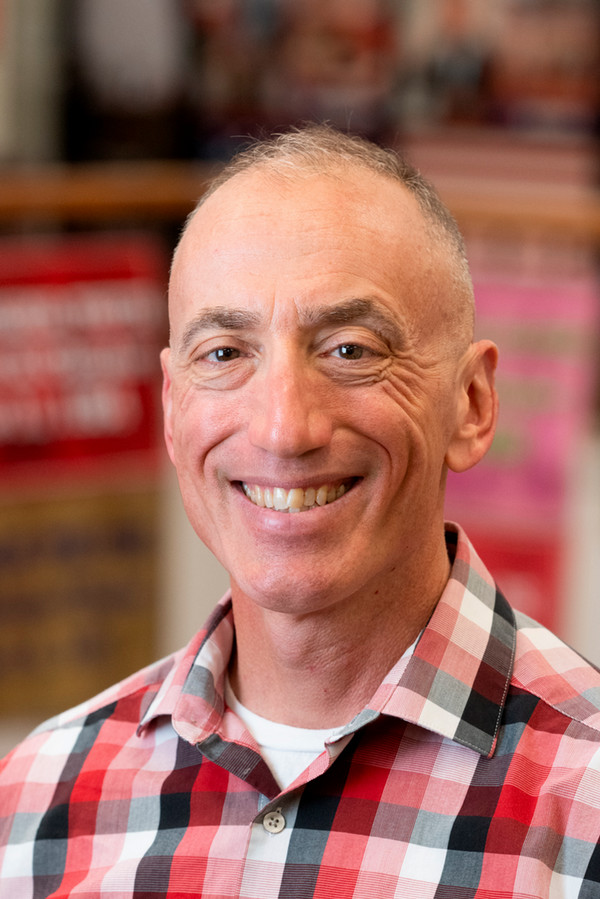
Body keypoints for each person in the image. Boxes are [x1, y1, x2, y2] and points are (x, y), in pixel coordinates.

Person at [1, 124, 599, 898]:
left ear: (473, 404)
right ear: (174, 410)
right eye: (224, 353)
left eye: (350, 349)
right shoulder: (33, 807)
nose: (284, 428)